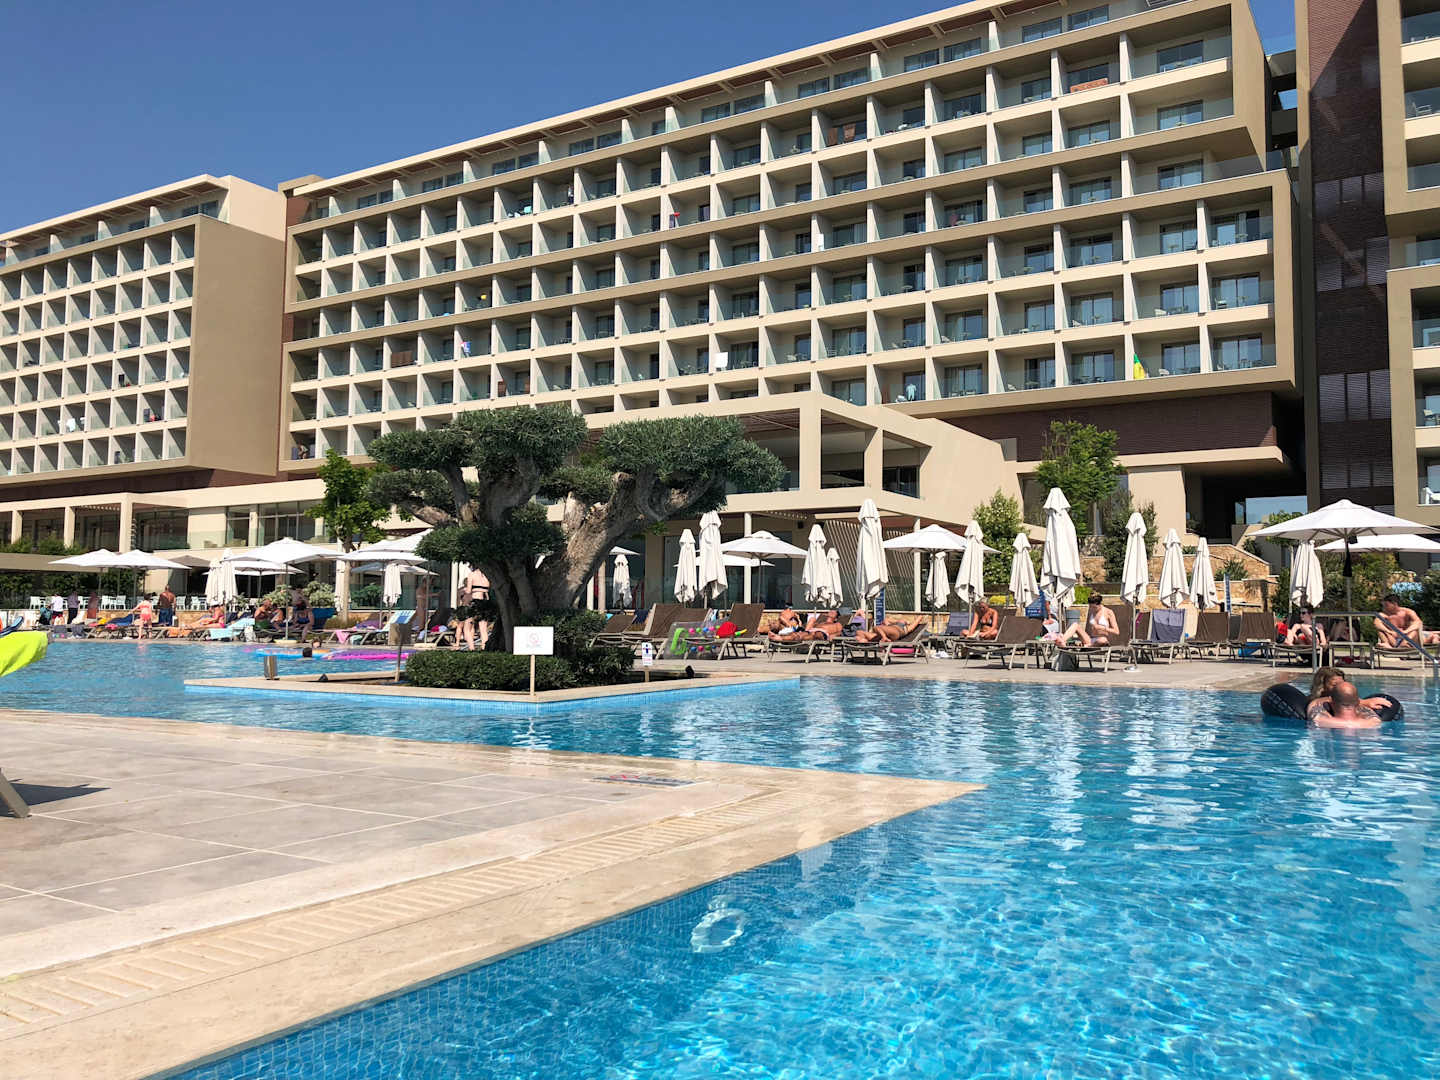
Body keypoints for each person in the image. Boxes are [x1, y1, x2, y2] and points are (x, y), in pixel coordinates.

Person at [1374, 593, 1440, 649]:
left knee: (1415, 630)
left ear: (1394, 604)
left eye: (1386, 605)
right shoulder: (1384, 614)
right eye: (1384, 605)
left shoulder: (1407, 612)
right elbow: (1376, 624)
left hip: (1407, 638)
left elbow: (1418, 623)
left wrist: (1405, 632)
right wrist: (1389, 632)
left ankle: (1404, 644)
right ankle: (1386, 643)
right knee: (1380, 630)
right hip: (1392, 639)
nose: (1384, 607)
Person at [1310, 680, 1381, 729]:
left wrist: (1327, 699)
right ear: (1358, 702)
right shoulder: (1374, 722)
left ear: (1331, 702)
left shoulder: (1319, 720)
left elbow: (1314, 703)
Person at [458, 568, 491, 651]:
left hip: (475, 602)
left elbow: (468, 591)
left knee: (467, 627)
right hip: (485, 602)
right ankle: (484, 648)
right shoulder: (486, 576)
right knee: (483, 629)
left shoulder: (472, 575)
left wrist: (464, 590)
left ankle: (471, 648)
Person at [853, 615, 923, 645]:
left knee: (876, 628)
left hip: (896, 632)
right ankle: (866, 641)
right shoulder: (894, 623)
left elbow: (917, 621)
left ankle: (884, 638)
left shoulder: (907, 628)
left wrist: (918, 618)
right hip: (883, 632)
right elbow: (885, 620)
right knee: (859, 632)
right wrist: (897, 621)